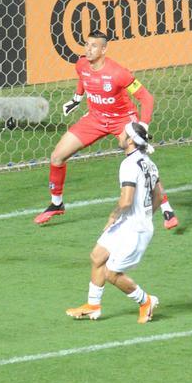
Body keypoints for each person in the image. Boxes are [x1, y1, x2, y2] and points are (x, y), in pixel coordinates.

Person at [35, 30, 179, 230]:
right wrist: (77, 99)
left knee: (140, 161)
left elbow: (147, 98)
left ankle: (166, 207)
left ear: (104, 49)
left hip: (122, 120)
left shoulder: (118, 73)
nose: (89, 49)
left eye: (94, 46)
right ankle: (57, 203)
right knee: (57, 157)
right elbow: (83, 78)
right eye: (87, 44)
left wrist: (143, 125)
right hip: (95, 119)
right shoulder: (81, 64)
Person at [66, 121, 161, 324]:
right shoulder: (149, 162)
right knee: (97, 256)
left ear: (130, 141)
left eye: (122, 134)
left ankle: (146, 301)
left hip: (134, 228)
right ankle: (93, 306)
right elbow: (159, 197)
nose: (118, 135)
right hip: (131, 223)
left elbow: (126, 201)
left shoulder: (128, 165)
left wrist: (113, 216)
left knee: (112, 273)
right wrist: (145, 215)